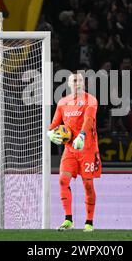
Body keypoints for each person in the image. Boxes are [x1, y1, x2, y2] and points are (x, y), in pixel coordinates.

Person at [47, 72, 101, 232]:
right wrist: (50, 133)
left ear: (83, 84)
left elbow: (89, 120)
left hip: (88, 149)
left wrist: (82, 136)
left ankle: (89, 222)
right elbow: (54, 123)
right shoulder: (63, 103)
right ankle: (68, 220)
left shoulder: (90, 100)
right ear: (69, 84)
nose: (76, 83)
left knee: (88, 185)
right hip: (70, 149)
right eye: (73, 81)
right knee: (63, 180)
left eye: (79, 80)